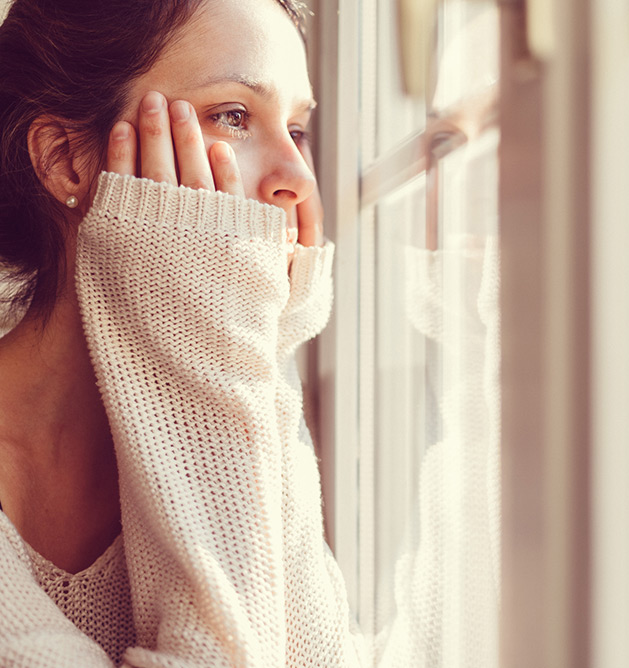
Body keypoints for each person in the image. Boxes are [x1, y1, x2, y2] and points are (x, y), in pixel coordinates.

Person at [0, 0, 367, 665]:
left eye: (296, 129)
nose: (297, 178)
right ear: (65, 160)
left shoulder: (235, 401)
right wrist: (216, 350)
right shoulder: (212, 391)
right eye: (233, 116)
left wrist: (256, 352)